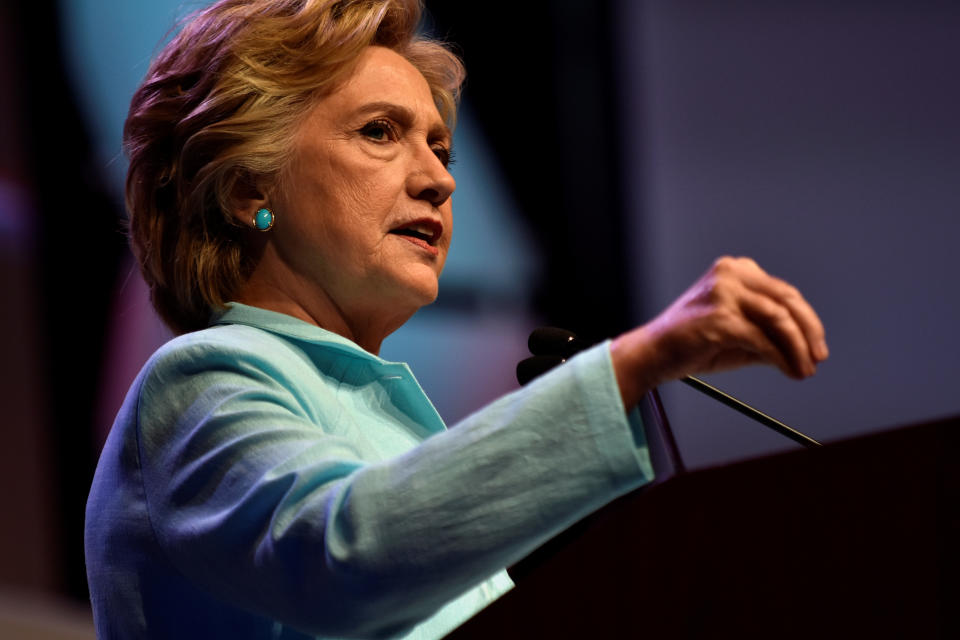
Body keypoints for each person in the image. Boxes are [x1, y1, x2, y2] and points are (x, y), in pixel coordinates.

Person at [84, 0, 829, 638]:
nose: (439, 178)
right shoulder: (199, 383)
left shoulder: (386, 419)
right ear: (249, 187)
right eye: (380, 131)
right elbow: (347, 549)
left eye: (440, 146)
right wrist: (632, 366)